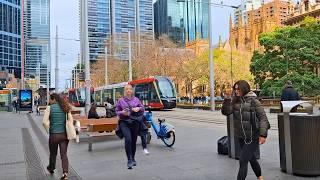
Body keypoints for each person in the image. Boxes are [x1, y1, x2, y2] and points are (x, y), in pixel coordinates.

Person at [221, 80, 270, 180]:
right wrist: (226, 100)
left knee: (243, 160)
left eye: (238, 89)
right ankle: (260, 177)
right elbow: (226, 112)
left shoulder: (254, 101)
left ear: (244, 88)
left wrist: (263, 135)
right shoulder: (235, 101)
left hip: (252, 137)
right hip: (241, 136)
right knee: (251, 158)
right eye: (235, 89)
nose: (236, 91)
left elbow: (263, 118)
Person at [115, 84, 145, 169]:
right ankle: (129, 160)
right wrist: (122, 113)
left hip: (135, 122)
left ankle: (133, 158)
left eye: (130, 89)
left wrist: (138, 109)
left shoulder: (136, 99)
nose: (128, 90)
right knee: (128, 139)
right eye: (127, 89)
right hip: (124, 122)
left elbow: (142, 108)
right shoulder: (121, 100)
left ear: (132, 91)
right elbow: (116, 111)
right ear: (125, 91)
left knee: (133, 141)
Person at [45, 93, 72, 180]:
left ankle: (51, 168)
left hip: (54, 135)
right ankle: (65, 173)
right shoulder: (65, 107)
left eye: (50, 99)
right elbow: (70, 120)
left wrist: (48, 130)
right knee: (64, 154)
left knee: (53, 153)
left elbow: (44, 122)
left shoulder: (50, 108)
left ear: (54, 99)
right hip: (64, 135)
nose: (49, 101)